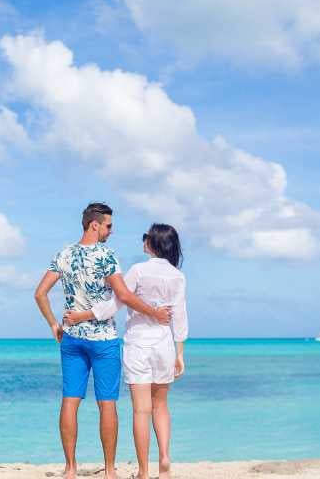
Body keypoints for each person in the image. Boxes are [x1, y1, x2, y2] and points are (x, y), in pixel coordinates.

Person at [34, 203, 171, 479]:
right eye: (108, 225)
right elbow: (124, 296)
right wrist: (154, 312)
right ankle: (110, 471)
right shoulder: (106, 256)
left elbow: (40, 293)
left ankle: (70, 469)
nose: (111, 231)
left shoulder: (64, 254)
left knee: (70, 400)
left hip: (72, 338)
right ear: (94, 225)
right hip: (103, 340)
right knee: (106, 403)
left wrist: (53, 324)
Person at [65, 223, 188, 479]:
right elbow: (180, 317)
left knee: (141, 410)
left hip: (139, 345)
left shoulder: (138, 271)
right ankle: (164, 458)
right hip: (165, 345)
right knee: (161, 406)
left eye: (146, 237)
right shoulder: (178, 276)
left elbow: (114, 304)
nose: (143, 241)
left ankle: (143, 471)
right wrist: (179, 352)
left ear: (153, 244)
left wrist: (81, 315)